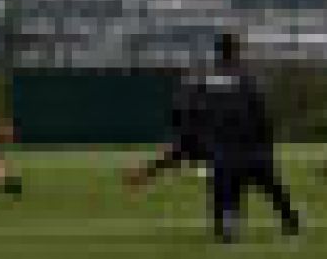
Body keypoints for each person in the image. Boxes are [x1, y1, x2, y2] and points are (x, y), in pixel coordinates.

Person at [189, 32, 301, 244]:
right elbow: (261, 112)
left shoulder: (207, 80)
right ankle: (290, 220)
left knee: (224, 188)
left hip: (223, 145)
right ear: (237, 52)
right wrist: (266, 142)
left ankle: (226, 227)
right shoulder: (246, 79)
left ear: (218, 52)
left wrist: (202, 144)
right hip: (250, 145)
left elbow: (197, 112)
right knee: (271, 186)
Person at [125, 69, 206, 190]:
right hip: (191, 135)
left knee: (168, 160)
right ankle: (140, 177)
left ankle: (141, 177)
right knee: (168, 160)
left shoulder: (190, 98)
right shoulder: (188, 99)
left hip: (193, 135)